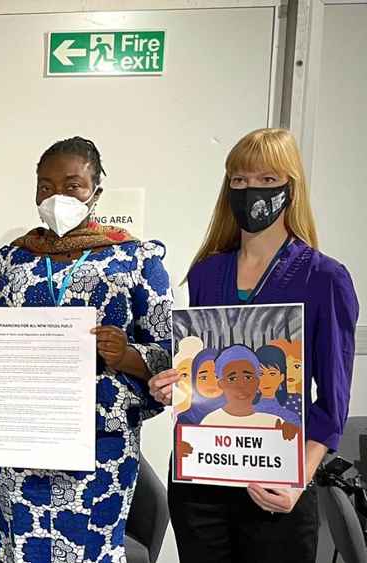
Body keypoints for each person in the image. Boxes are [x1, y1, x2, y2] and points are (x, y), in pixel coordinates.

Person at [0, 137, 172, 563]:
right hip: (22, 439)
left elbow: (167, 356)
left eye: (72, 184)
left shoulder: (136, 260)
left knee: (92, 551)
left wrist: (125, 355)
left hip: (98, 445)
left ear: (96, 192)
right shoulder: (10, 261)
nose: (57, 195)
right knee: (17, 549)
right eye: (45, 185)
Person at [148, 128, 359, 562]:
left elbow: (333, 400)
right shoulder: (207, 273)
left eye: (266, 179)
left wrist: (299, 477)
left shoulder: (325, 278)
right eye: (239, 180)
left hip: (276, 479)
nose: (250, 191)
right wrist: (174, 385)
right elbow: (201, 370)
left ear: (290, 187)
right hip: (201, 482)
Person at [176, 347, 224, 425]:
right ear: (194, 380)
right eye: (203, 377)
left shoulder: (237, 416)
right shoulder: (185, 419)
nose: (211, 383)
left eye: (217, 377)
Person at [254, 343, 299, 424]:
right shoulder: (244, 412)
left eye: (272, 374)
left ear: (282, 377)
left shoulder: (291, 417)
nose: (266, 380)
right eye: (261, 374)